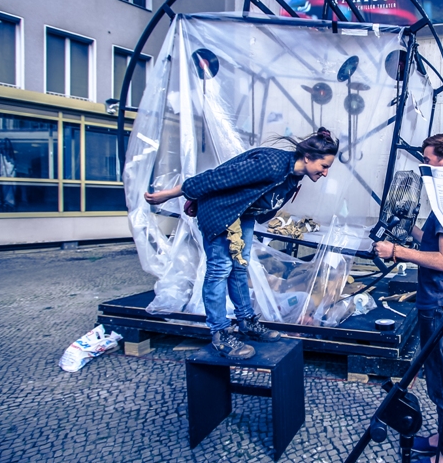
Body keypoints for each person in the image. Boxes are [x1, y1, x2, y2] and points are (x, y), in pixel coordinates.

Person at [145, 128, 339, 359]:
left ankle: (246, 321)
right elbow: (216, 177)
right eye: (324, 166)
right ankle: (220, 334)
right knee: (220, 269)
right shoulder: (272, 164)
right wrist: (171, 194)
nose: (325, 173)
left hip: (242, 214)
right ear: (307, 157)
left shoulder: (293, 176)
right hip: (220, 211)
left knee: (240, 266)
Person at [373, 133, 443, 463]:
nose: (424, 165)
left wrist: (396, 252)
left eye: (428, 159)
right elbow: (435, 243)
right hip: (438, 302)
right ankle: (442, 440)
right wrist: (409, 228)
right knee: (437, 382)